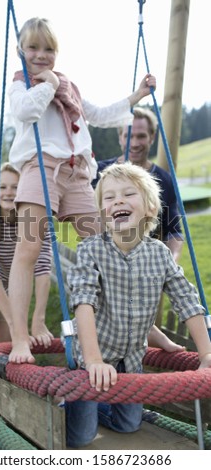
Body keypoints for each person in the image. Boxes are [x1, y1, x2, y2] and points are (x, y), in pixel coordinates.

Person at [7, 17, 156, 364]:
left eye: (49, 49)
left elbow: (100, 115)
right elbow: (26, 111)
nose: (41, 55)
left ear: (56, 52)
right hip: (39, 168)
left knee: (108, 245)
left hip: (76, 173)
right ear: (20, 51)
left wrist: (137, 95)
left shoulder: (68, 87)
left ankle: (127, 325)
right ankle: (19, 339)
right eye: (33, 47)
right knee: (29, 247)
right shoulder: (21, 85)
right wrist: (48, 84)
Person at [65, 162, 211, 448]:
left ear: (150, 209)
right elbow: (84, 302)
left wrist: (206, 353)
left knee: (129, 424)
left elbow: (187, 300)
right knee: (81, 436)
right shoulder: (91, 249)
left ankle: (97, 407)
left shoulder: (159, 254)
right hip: (91, 357)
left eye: (128, 194)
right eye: (109, 197)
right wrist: (93, 360)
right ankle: (72, 404)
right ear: (103, 214)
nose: (118, 200)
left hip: (130, 359)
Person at [0, 162, 52, 450]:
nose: (8, 192)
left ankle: (4, 419)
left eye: (15, 187)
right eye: (2, 186)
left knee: (6, 354)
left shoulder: (35, 222)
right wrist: (18, 325)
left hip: (11, 291)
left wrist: (36, 319)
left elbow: (42, 267)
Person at [91, 106, 183, 262]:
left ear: (152, 137)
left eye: (141, 136)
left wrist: (171, 263)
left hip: (146, 267)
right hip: (104, 265)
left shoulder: (164, 180)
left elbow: (174, 231)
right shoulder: (97, 173)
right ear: (120, 137)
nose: (134, 143)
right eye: (128, 136)